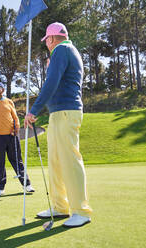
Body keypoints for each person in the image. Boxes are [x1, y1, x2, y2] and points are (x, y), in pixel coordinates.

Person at [24, 22, 92, 227]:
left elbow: (51, 82)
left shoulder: (62, 49)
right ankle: (60, 206)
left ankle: (81, 211)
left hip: (66, 112)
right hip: (57, 113)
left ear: (52, 38)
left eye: (46, 41)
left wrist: (34, 110)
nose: (46, 44)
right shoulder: (64, 52)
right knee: (55, 162)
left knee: (69, 161)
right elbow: (55, 81)